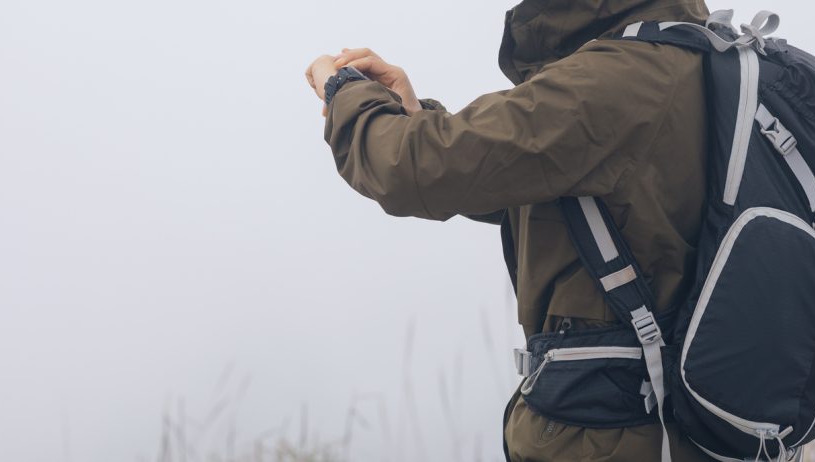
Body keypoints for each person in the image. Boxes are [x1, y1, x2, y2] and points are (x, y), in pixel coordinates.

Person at [305, 0, 716, 460]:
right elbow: (552, 197)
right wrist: (415, 112)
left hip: (611, 437)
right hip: (688, 429)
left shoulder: (617, 79)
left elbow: (411, 168)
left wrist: (343, 91)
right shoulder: (697, 63)